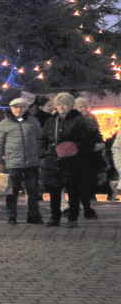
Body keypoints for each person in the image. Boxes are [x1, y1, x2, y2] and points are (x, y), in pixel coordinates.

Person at [42, 92, 95, 229]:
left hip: (72, 160)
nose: (61, 107)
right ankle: (55, 217)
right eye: (59, 104)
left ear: (71, 105)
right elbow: (44, 138)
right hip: (54, 159)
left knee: (73, 190)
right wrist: (44, 152)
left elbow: (87, 139)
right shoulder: (52, 120)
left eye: (64, 104)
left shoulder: (79, 120)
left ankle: (72, 217)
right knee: (54, 190)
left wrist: (76, 149)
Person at [0, 97, 43, 225]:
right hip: (12, 162)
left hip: (31, 161)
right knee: (12, 191)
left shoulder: (32, 121)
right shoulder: (4, 123)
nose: (18, 109)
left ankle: (33, 216)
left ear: (26, 108)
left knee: (33, 191)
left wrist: (39, 154)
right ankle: (12, 216)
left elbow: (40, 138)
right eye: (15, 107)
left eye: (21, 107)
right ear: (11, 108)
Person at [73, 96, 103, 220]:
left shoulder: (91, 118)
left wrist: (100, 144)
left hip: (90, 155)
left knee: (87, 182)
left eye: (84, 106)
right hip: (79, 154)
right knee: (79, 182)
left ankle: (87, 206)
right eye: (80, 107)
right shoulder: (75, 120)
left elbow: (97, 134)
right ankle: (83, 207)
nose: (83, 109)